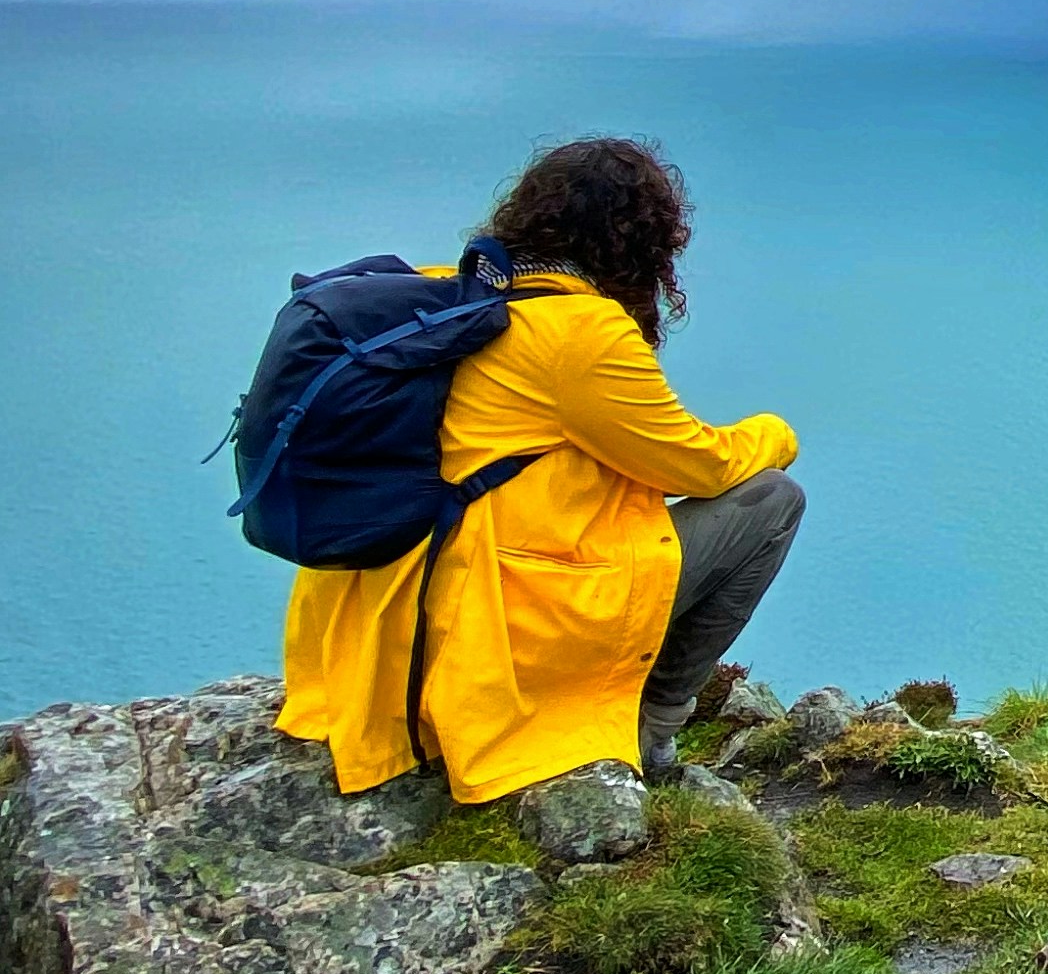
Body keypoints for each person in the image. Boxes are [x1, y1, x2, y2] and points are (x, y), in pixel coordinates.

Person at [278, 137, 804, 802]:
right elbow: (698, 465)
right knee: (772, 501)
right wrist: (776, 433)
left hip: (382, 634)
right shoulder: (580, 333)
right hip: (485, 637)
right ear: (641, 242)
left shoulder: (446, 295)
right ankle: (651, 729)